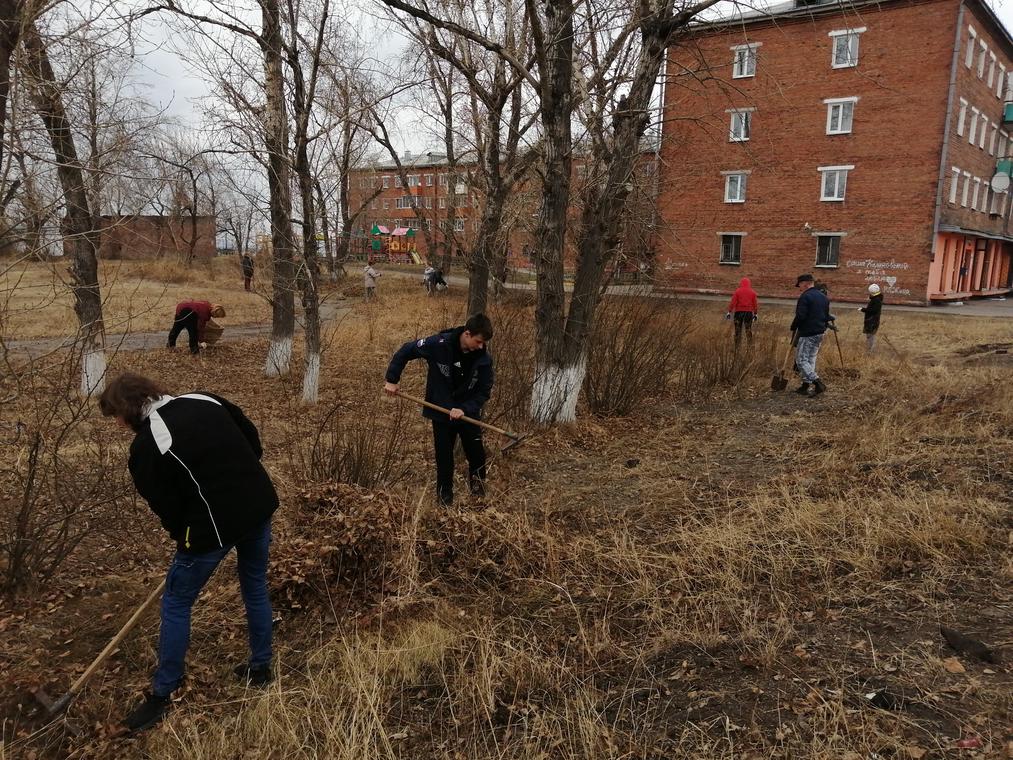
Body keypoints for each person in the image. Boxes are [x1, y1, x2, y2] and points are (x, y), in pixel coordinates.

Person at [98, 372, 279, 733]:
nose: (117, 425)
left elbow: (166, 506)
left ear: (129, 409)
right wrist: (240, 478)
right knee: (254, 585)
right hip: (258, 506)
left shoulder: (148, 445)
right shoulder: (204, 398)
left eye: (116, 416)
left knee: (177, 602)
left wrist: (187, 538)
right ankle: (260, 668)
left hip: (213, 529)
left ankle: (163, 692)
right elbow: (251, 439)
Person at [383, 313, 494, 506]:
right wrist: (392, 380)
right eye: (478, 341)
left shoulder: (483, 359)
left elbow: (484, 391)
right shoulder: (439, 344)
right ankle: (444, 501)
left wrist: (464, 409)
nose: (481, 346)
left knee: (476, 455)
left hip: (468, 415)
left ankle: (478, 497)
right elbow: (406, 350)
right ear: (467, 334)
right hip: (441, 411)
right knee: (444, 458)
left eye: (483, 343)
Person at [789, 273, 835, 396]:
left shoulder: (805, 297)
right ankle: (805, 385)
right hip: (820, 332)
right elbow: (825, 316)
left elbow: (800, 316)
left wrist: (794, 326)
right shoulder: (823, 297)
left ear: (805, 283)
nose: (799, 288)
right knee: (810, 359)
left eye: (799, 285)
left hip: (807, 332)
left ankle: (818, 382)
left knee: (801, 360)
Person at [725, 276, 759, 347]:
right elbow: (755, 304)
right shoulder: (752, 292)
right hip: (748, 313)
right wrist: (755, 313)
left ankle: (737, 346)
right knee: (748, 329)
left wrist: (729, 311)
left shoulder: (737, 291)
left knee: (737, 330)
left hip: (738, 313)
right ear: (749, 284)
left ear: (741, 283)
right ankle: (750, 346)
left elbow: (733, 302)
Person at [859, 283, 884, 353]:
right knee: (869, 336)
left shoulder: (876, 300)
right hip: (872, 320)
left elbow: (873, 310)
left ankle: (870, 351)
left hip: (872, 321)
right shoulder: (877, 299)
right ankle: (869, 350)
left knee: (870, 336)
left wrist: (863, 309)